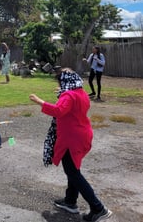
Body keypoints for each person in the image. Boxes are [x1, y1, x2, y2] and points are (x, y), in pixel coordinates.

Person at [29, 68, 112, 222]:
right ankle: (70, 201)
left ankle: (98, 208)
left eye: (60, 82)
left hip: (72, 139)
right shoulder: (80, 92)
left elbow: (59, 111)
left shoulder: (69, 95)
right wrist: (62, 92)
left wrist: (39, 101)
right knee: (73, 170)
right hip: (82, 135)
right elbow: (69, 104)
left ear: (65, 82)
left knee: (73, 172)